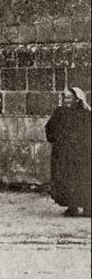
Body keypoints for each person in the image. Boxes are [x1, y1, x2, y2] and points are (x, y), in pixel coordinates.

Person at [45, 87, 91, 217]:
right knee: (67, 179)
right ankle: (72, 207)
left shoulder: (87, 114)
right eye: (65, 97)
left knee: (84, 178)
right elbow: (50, 127)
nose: (66, 100)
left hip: (82, 154)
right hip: (64, 153)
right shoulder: (60, 113)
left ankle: (88, 207)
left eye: (69, 98)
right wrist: (56, 141)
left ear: (77, 99)